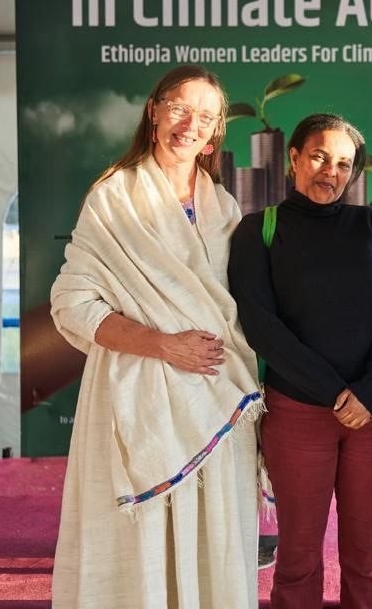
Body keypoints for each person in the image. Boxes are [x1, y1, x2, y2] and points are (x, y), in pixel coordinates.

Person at [49, 64, 263, 608]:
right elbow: (72, 303)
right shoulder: (112, 197)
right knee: (142, 549)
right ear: (153, 111)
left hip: (218, 393)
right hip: (142, 390)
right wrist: (164, 346)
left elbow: (237, 305)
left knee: (215, 543)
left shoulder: (224, 206)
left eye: (206, 117)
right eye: (179, 108)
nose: (190, 125)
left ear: (215, 133)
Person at [227, 113, 372, 609]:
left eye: (344, 163)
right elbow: (261, 326)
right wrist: (335, 394)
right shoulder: (258, 230)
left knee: (367, 557)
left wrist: (367, 392)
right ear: (294, 158)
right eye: (319, 157)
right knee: (299, 557)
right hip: (299, 414)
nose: (331, 171)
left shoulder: (370, 226)